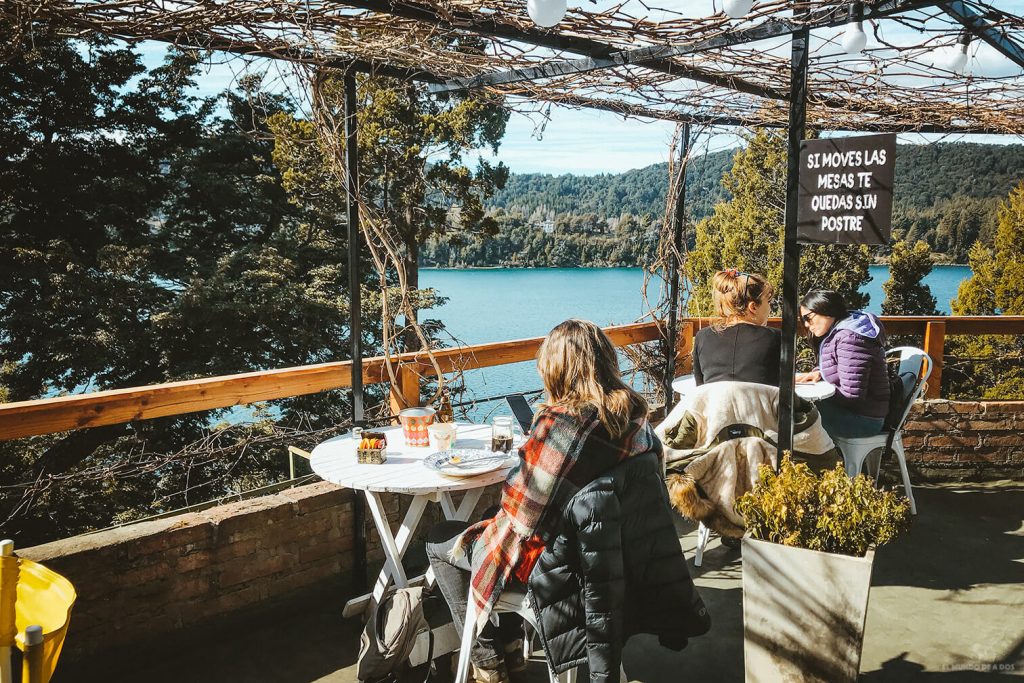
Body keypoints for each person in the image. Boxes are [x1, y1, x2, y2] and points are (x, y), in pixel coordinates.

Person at [424, 319, 662, 683]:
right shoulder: (636, 417)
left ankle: (487, 661)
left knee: (440, 538)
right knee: (488, 516)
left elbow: (520, 513)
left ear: (557, 370)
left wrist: (536, 444)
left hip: (560, 570)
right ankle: (510, 648)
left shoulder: (561, 426)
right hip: (614, 560)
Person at [797, 289, 890, 438]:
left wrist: (812, 396)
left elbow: (852, 396)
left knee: (791, 415)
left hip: (863, 420)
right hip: (860, 413)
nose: (807, 325)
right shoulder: (842, 331)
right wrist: (819, 373)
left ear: (825, 308)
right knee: (792, 410)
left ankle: (821, 453)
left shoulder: (850, 338)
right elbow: (842, 366)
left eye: (808, 318)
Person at [692, 269, 780, 386]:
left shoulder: (702, 337)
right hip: (760, 399)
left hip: (717, 398)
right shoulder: (776, 338)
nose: (770, 308)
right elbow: (783, 386)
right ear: (753, 307)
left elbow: (701, 387)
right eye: (768, 302)